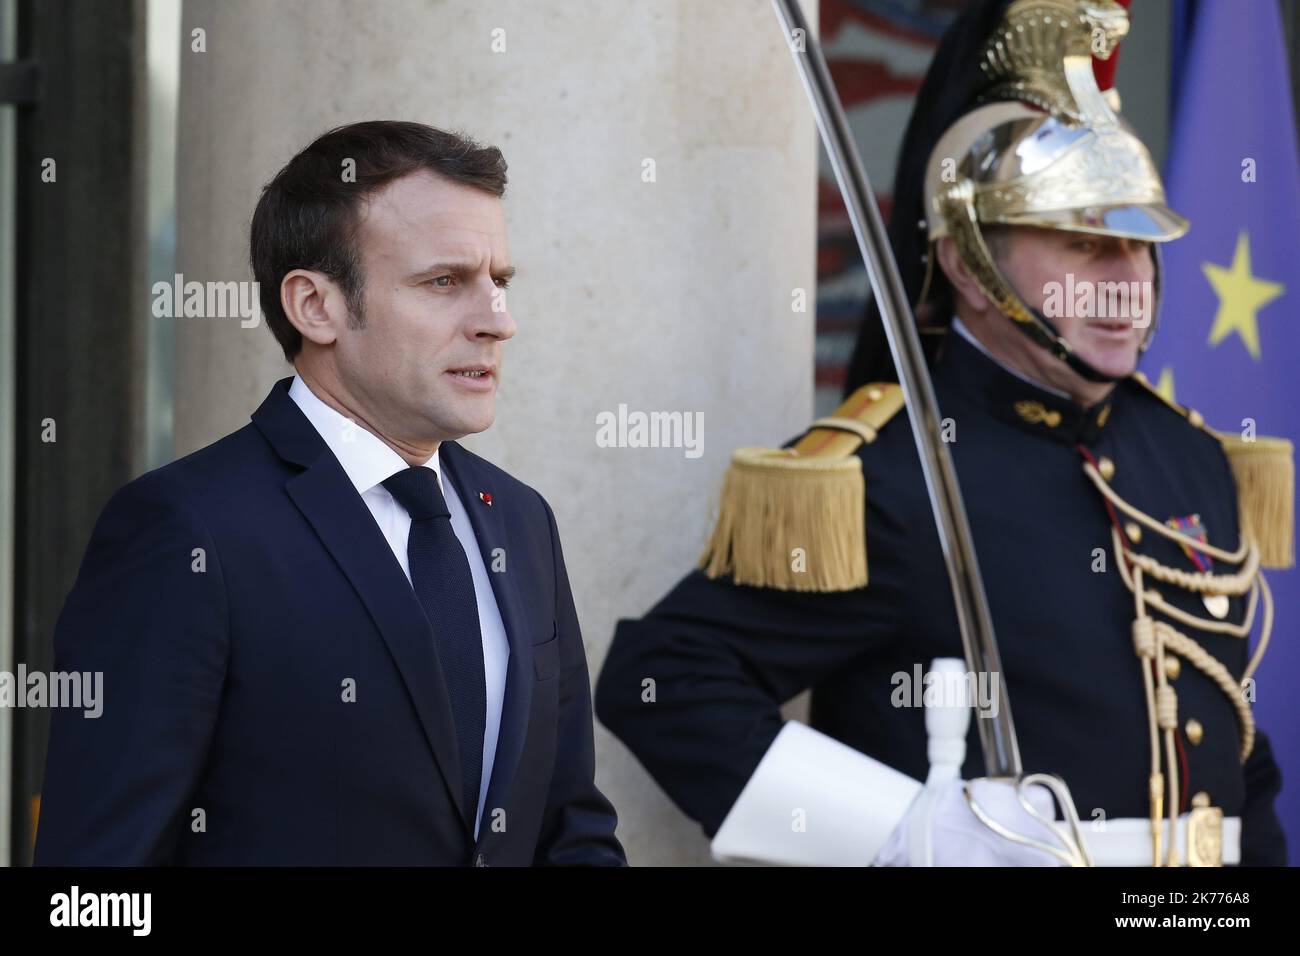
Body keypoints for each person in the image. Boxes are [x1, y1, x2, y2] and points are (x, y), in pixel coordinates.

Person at [597, 0, 1288, 866]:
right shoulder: (889, 476)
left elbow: (1239, 768)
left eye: (1140, 243)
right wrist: (900, 832)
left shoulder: (1191, 457)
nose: (1126, 278)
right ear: (967, 261)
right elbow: (662, 682)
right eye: (1081, 242)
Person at [36, 120, 625, 866]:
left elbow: (568, 828)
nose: (497, 322)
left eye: (498, 282)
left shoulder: (520, 519)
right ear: (316, 307)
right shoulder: (187, 531)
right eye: (445, 282)